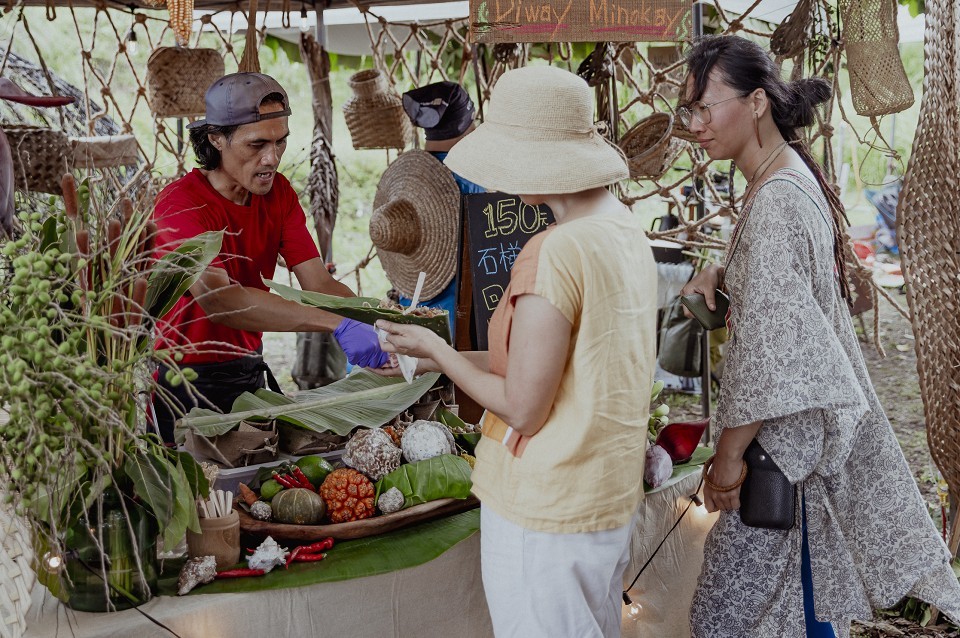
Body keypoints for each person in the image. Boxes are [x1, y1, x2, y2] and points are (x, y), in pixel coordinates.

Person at [678, 35, 960, 637]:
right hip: (795, 446)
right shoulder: (787, 176)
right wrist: (726, 274)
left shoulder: (776, 198)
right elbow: (789, 294)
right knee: (795, 605)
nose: (695, 125)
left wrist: (728, 458)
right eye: (689, 111)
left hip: (779, 451)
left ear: (757, 102)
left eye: (706, 107)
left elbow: (771, 350)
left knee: (731, 619)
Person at [375, 65, 658, 637]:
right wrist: (430, 357)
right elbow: (550, 368)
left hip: (546, 505)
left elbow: (524, 405)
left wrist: (442, 348)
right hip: (602, 496)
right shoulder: (624, 230)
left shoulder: (555, 251)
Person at [152, 72, 387, 444]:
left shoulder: (278, 195)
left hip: (248, 369)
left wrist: (379, 323)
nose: (271, 158)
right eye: (257, 144)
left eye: (280, 143)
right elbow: (219, 300)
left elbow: (318, 282)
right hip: (183, 381)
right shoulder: (180, 205)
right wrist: (335, 323)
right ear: (216, 139)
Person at [397, 81, 485, 336]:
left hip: (409, 310)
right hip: (457, 324)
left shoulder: (405, 179)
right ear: (466, 126)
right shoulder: (469, 183)